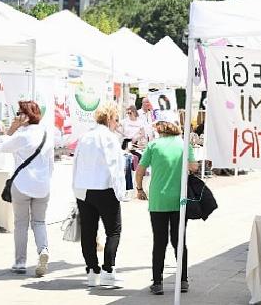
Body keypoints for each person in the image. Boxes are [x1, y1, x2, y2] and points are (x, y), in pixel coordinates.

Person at [135, 111, 198, 295]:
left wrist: (139, 189)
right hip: (181, 199)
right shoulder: (184, 144)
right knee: (180, 241)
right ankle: (183, 280)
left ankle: (157, 282)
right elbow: (194, 166)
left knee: (159, 241)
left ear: (160, 127)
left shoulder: (153, 145)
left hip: (158, 200)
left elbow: (140, 170)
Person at [72, 102, 125, 288]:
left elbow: (76, 163)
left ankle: (92, 271)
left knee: (88, 231)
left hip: (84, 190)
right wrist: (120, 192)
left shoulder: (85, 137)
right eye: (116, 119)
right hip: (105, 188)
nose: (117, 123)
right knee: (114, 230)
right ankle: (108, 270)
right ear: (110, 119)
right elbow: (115, 167)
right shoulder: (109, 138)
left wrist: (75, 189)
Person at [0, 101, 53, 277]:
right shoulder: (46, 134)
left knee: (21, 223)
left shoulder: (22, 135)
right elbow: (51, 164)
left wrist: (12, 128)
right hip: (43, 185)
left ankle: (20, 262)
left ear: (25, 116)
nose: (16, 116)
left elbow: (2, 147)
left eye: (19, 113)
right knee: (39, 222)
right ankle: (43, 250)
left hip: (22, 184)